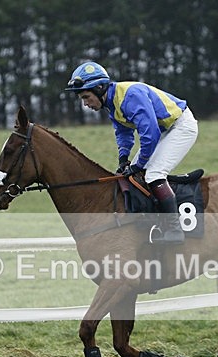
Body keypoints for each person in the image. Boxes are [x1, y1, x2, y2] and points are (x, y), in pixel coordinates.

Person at [65, 61, 198, 243]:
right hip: (164, 130)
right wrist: (123, 159)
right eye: (82, 99)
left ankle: (174, 230)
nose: (86, 104)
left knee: (154, 174)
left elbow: (150, 133)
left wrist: (138, 164)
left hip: (181, 126)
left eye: (87, 97)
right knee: (132, 177)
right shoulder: (111, 102)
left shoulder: (130, 96)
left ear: (100, 88)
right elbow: (123, 133)